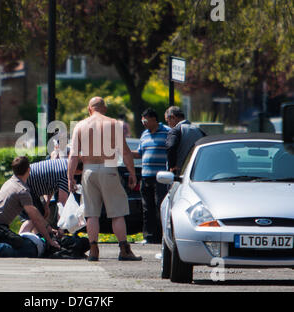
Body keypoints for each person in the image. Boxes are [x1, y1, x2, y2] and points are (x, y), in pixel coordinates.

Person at [67, 96, 141, 261]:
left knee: (91, 213)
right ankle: (124, 250)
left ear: (89, 109)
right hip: (109, 168)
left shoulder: (80, 125)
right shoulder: (114, 124)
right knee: (117, 213)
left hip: (88, 170)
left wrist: (70, 177)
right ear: (105, 109)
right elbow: (126, 152)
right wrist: (132, 173)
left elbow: (73, 155)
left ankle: (94, 250)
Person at [132, 108, 170, 244]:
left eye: (146, 120)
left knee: (160, 206)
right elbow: (139, 153)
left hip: (160, 176)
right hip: (146, 176)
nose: (144, 123)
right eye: (142, 120)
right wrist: (125, 152)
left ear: (154, 119)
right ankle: (149, 236)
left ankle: (163, 236)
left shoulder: (167, 132)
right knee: (147, 207)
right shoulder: (144, 134)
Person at [18, 157, 84, 234]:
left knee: (40, 213)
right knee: (33, 217)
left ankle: (36, 238)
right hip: (24, 186)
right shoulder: (66, 174)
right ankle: (21, 238)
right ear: (79, 171)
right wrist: (61, 229)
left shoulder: (64, 162)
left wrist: (46, 205)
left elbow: (51, 183)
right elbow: (62, 204)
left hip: (24, 181)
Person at [165, 106, 206, 174]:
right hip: (197, 172)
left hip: (180, 173)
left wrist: (172, 166)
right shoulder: (198, 130)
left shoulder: (175, 130)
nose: (168, 125)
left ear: (173, 117)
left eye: (167, 121)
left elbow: (171, 146)